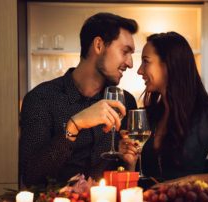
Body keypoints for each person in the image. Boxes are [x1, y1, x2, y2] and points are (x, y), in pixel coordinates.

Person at [19, 12, 138, 188]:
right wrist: (74, 126)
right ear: (98, 45)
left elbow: (125, 179)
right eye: (125, 51)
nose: (130, 63)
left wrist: (129, 163)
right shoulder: (41, 98)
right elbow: (31, 176)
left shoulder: (125, 102)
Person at [119, 31, 208, 184]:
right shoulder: (148, 115)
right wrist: (129, 164)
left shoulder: (207, 114)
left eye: (146, 61)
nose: (140, 70)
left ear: (168, 65)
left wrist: (192, 180)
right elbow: (133, 183)